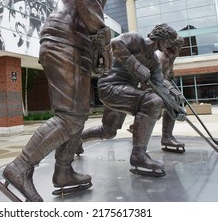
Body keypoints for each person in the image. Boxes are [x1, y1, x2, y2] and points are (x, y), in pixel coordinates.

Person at [0, 0, 124, 202]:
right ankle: (20, 167)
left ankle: (63, 172)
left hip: (69, 44)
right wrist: (103, 40)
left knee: (78, 115)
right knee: (69, 117)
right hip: (67, 43)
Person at [79, 24, 186, 177]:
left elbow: (160, 87)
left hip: (124, 93)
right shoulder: (136, 39)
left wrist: (174, 107)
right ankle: (138, 155)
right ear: (162, 38)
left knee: (108, 131)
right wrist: (135, 66)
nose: (169, 45)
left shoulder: (154, 61)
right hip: (110, 87)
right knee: (153, 102)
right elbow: (116, 44)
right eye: (169, 41)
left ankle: (77, 140)